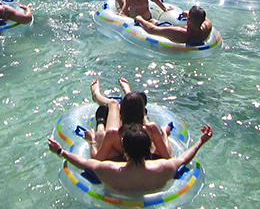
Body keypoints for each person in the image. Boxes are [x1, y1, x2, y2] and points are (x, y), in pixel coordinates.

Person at [48, 122, 213, 195]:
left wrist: (60, 151)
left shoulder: (107, 170)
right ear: (148, 149)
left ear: (124, 152)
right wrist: (201, 141)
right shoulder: (164, 168)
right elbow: (184, 159)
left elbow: (82, 162)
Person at [87, 79, 173, 161]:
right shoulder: (151, 129)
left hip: (121, 151)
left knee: (113, 104)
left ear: (121, 113)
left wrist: (93, 140)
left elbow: (96, 160)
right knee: (136, 107)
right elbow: (167, 157)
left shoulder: (113, 134)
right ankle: (131, 96)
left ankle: (96, 94)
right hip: (143, 153)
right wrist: (164, 135)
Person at [135, 5, 213, 45]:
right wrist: (188, 14)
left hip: (167, 37)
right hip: (193, 26)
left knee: (152, 21)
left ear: (188, 20)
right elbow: (206, 19)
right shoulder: (207, 28)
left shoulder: (180, 32)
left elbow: (152, 30)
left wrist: (140, 19)